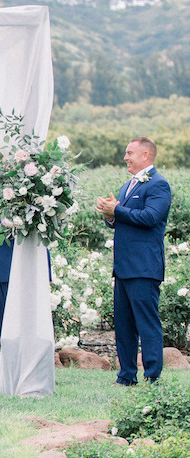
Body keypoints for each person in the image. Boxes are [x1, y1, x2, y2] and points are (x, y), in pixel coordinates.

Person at [96, 137, 172, 385]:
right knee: (124, 326)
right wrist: (110, 215)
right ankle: (126, 376)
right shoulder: (126, 186)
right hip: (123, 267)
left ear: (145, 156)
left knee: (147, 323)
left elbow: (150, 217)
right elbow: (124, 221)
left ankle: (152, 376)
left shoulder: (159, 185)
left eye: (130, 153)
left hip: (144, 267)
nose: (125, 157)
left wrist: (116, 210)